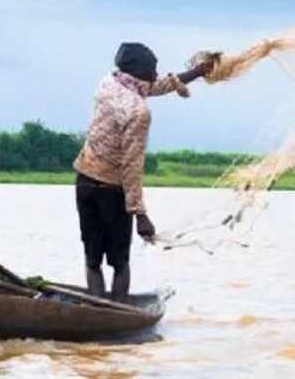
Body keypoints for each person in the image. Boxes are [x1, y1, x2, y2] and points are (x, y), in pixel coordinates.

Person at [73, 42, 211, 298]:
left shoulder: (109, 82)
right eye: (153, 69)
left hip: (84, 182)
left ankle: (95, 308)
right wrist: (140, 215)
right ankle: (115, 315)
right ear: (139, 72)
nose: (157, 74)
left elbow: (154, 86)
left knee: (92, 260)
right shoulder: (138, 112)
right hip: (111, 191)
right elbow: (131, 166)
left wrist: (198, 72)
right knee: (120, 263)